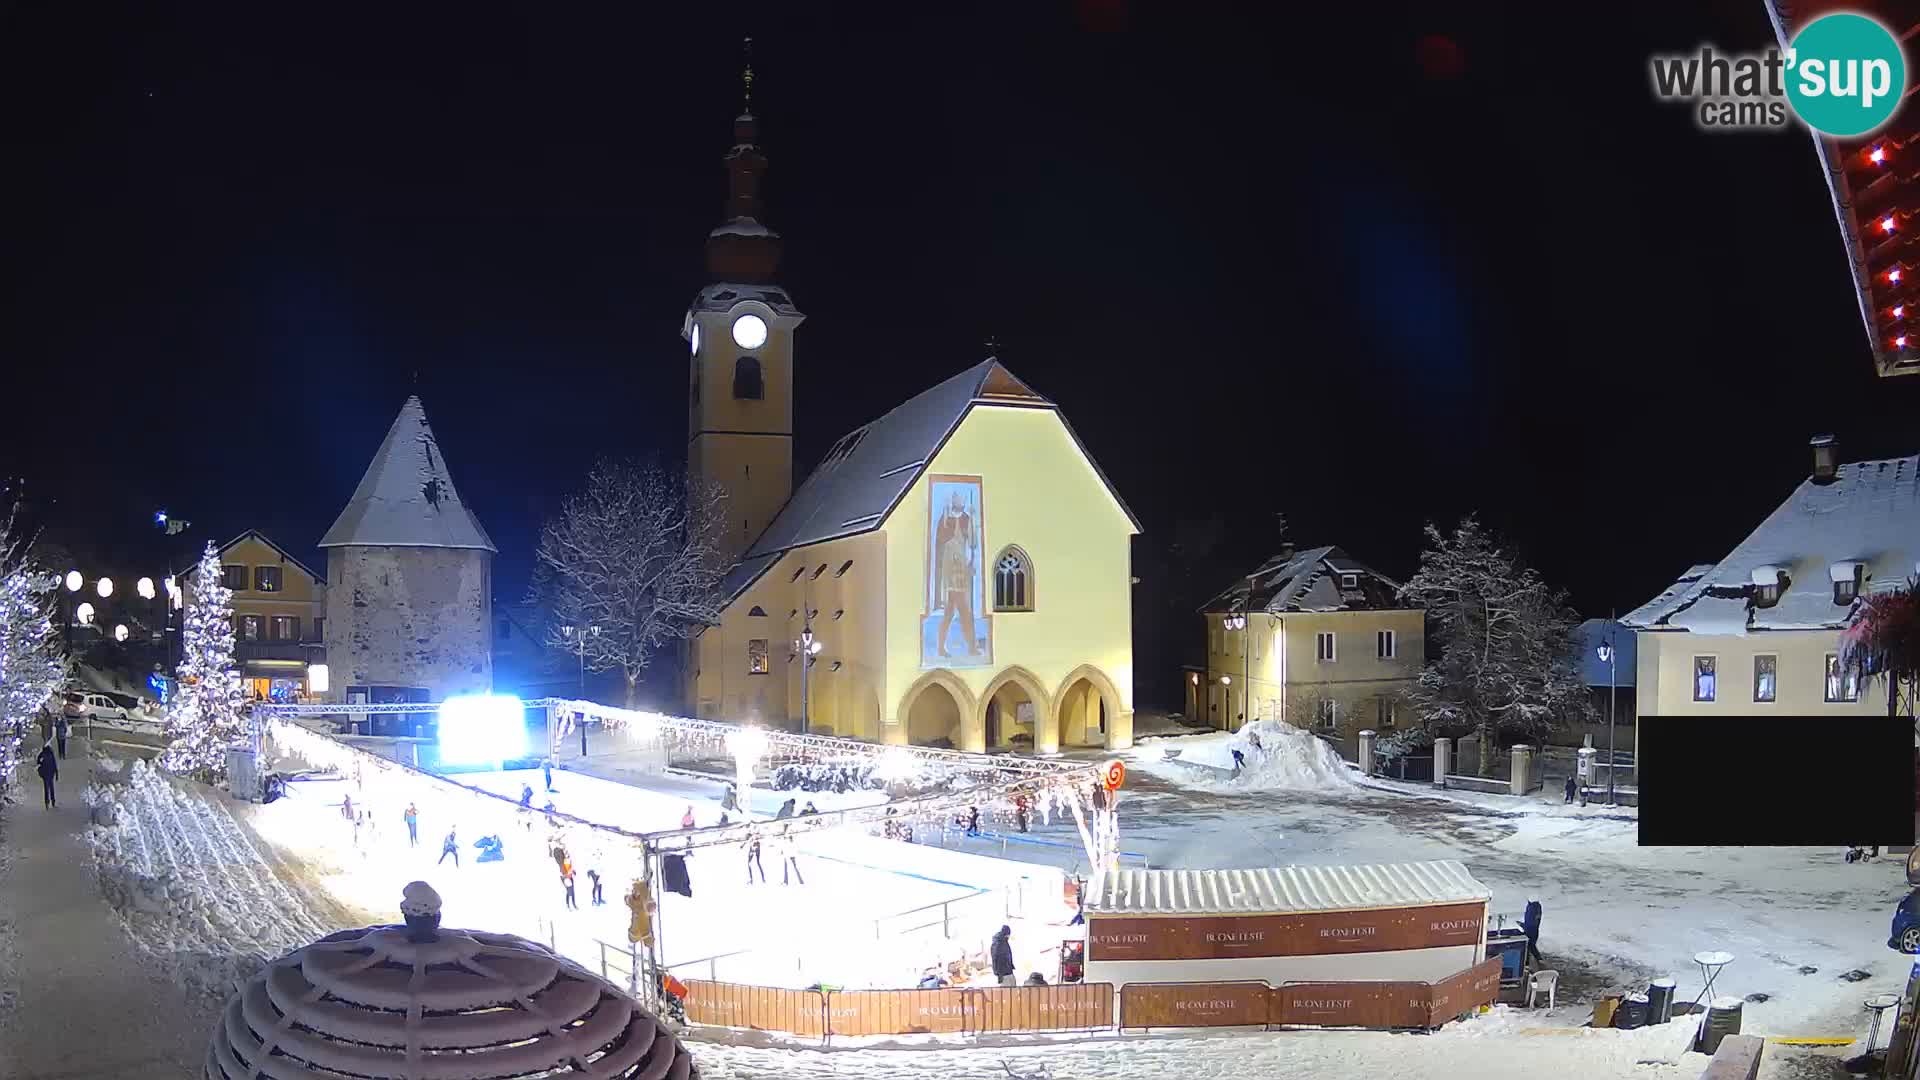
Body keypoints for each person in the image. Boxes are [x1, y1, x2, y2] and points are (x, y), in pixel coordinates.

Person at [1521, 895, 1544, 965]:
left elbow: (1532, 923)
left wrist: (1524, 926)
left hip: (1532, 931)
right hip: (1531, 930)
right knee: (1528, 946)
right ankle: (1534, 960)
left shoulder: (1534, 907)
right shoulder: (1531, 906)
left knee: (1529, 945)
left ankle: (1537, 960)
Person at [35, 740, 58, 809]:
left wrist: (40, 772)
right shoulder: (51, 754)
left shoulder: (41, 754)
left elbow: (38, 763)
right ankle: (53, 801)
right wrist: (56, 773)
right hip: (51, 773)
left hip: (45, 774)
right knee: (51, 788)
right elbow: (54, 764)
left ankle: (47, 802)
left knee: (46, 788)